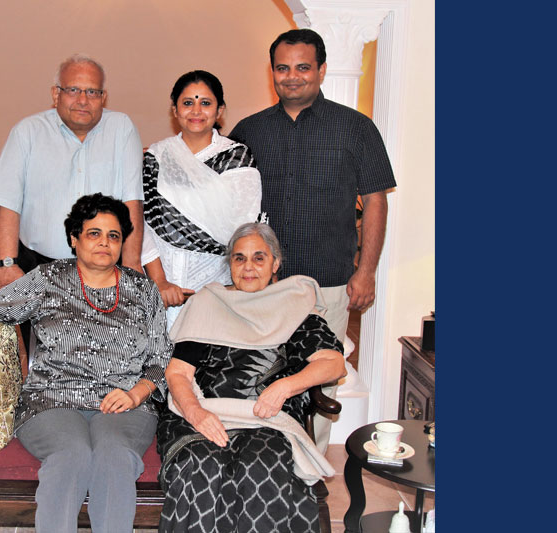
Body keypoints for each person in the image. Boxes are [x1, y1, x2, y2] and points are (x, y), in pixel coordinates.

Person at [0, 193, 172, 533]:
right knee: (72, 455)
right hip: (51, 400)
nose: (104, 243)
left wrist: (137, 393)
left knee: (114, 456)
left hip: (125, 402)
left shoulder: (143, 290)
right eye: (93, 233)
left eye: (113, 236)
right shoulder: (48, 279)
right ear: (74, 238)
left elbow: (160, 356)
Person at [229, 29, 396, 452]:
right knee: (260, 373)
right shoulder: (249, 130)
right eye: (283, 68)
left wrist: (366, 271)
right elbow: (229, 207)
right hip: (262, 285)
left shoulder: (356, 128)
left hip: (330, 282)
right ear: (272, 74)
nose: (292, 77)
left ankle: (310, 467)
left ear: (321, 70)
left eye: (303, 67)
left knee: (322, 377)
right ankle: (262, 460)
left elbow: (375, 202)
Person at [156, 222, 346, 533]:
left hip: (266, 419)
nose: (248, 267)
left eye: (259, 258)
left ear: (276, 263)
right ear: (229, 264)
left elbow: (333, 364)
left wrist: (285, 387)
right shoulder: (209, 302)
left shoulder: (294, 305)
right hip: (201, 415)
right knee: (200, 467)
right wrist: (197, 413)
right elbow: (177, 372)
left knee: (262, 467)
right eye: (239, 258)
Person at [0, 53, 145, 352]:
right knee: (44, 353)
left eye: (92, 92)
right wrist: (7, 264)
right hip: (39, 265)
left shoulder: (121, 129)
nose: (83, 100)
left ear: (103, 97)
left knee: (102, 350)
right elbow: (7, 203)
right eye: (73, 90)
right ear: (55, 93)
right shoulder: (27, 133)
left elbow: (132, 200)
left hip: (104, 268)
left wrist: (132, 264)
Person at [142, 70, 261, 329]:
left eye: (205, 103)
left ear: (219, 111)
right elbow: (143, 224)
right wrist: (159, 280)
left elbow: (243, 229)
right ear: (175, 110)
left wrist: (229, 286)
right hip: (160, 280)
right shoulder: (157, 156)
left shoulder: (236, 158)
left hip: (217, 281)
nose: (196, 110)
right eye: (187, 103)